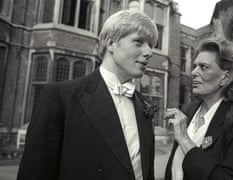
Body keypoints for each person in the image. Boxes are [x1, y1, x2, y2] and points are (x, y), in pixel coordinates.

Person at [17, 10, 158, 180]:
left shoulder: (144, 106)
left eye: (151, 45)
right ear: (111, 43)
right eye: (139, 42)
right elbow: (35, 172)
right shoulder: (60, 97)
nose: (149, 52)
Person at [164, 37, 233, 180]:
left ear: (226, 76)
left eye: (203, 67)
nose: (193, 72)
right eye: (194, 66)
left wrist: (185, 140)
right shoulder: (188, 110)